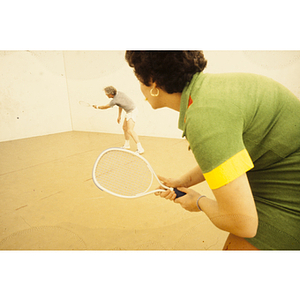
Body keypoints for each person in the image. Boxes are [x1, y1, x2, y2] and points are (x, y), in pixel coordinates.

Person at [125, 50, 300, 250]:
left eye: (139, 80)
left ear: (153, 82)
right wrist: (183, 181)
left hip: (289, 197)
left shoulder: (203, 117)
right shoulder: (211, 92)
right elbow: (228, 158)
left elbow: (243, 225)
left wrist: (198, 202)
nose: (140, 88)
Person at [93, 86, 144, 154]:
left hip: (132, 111)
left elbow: (105, 107)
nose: (106, 95)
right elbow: (120, 105)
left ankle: (140, 148)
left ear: (110, 94)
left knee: (130, 130)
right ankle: (127, 145)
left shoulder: (114, 100)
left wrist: (97, 107)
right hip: (130, 111)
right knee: (124, 128)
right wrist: (119, 116)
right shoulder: (119, 93)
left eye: (106, 94)